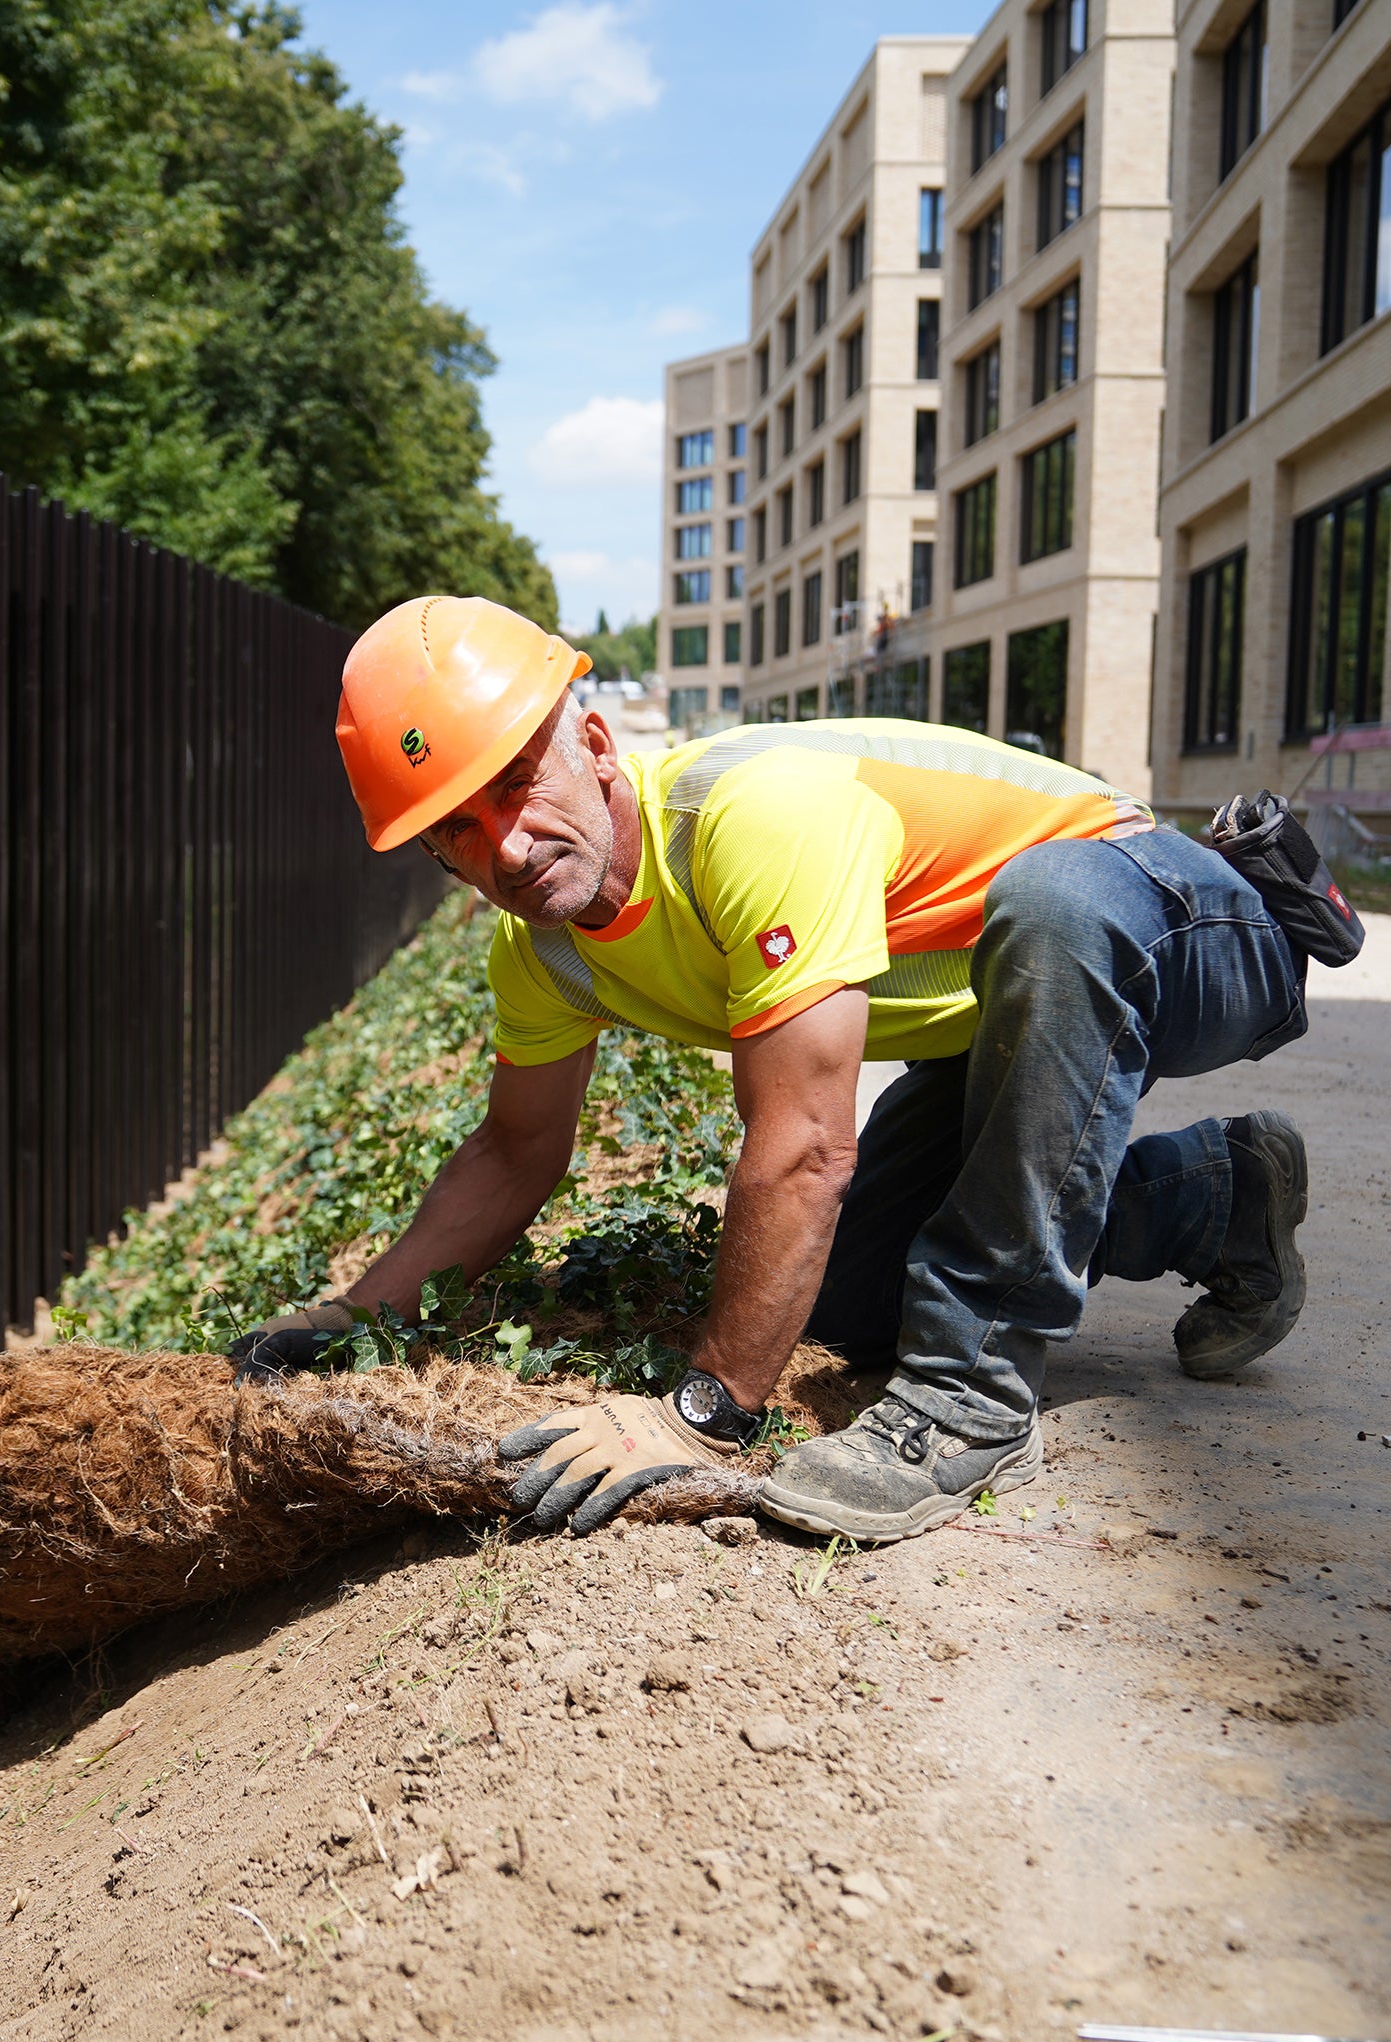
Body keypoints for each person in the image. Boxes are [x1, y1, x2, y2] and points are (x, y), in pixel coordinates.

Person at [228, 596, 1314, 1545]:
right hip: (998, 1019)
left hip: (1186, 924)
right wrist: (357, 1313)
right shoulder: (542, 949)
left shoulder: (747, 818)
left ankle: (971, 1393)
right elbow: (514, 1150)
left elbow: (802, 1146)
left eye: (516, 784)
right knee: (845, 1292)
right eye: (458, 830)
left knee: (1056, 902)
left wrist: (701, 1407)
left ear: (595, 742)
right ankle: (1215, 1197)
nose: (504, 847)